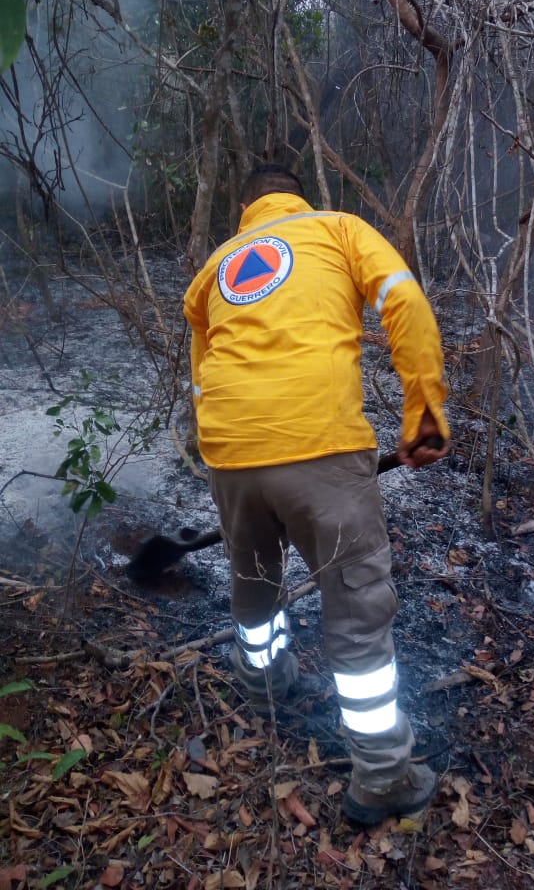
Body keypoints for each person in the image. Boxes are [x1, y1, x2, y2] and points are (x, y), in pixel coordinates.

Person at [183, 164, 450, 826]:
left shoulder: (215, 266)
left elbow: (200, 374)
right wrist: (423, 410)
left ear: (246, 207)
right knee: (357, 607)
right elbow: (404, 301)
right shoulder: (337, 228)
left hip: (230, 450)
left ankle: (265, 686)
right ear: (298, 195)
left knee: (253, 583)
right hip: (320, 443)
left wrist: (223, 452)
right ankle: (383, 776)